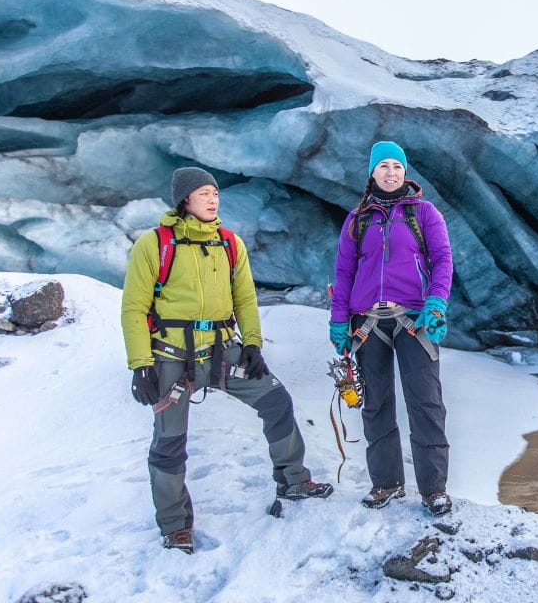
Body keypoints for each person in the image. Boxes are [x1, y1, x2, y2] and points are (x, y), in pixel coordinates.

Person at [121, 167, 332, 554]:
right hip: (172, 357)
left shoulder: (229, 243)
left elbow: (245, 298)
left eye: (215, 193)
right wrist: (140, 365)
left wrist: (252, 344)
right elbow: (134, 307)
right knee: (169, 443)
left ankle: (294, 480)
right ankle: (175, 526)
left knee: (276, 401)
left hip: (223, 351)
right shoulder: (154, 244)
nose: (213, 199)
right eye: (203, 193)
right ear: (185, 199)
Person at [329, 141, 454, 516]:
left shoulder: (424, 212)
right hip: (367, 323)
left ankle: (434, 489)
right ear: (372, 172)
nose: (391, 172)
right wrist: (338, 320)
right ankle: (386, 483)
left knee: (426, 402)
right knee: (376, 403)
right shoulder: (358, 219)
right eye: (383, 165)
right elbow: (344, 272)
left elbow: (442, 259)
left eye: (397, 166)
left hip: (414, 319)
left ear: (405, 172)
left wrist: (436, 302)